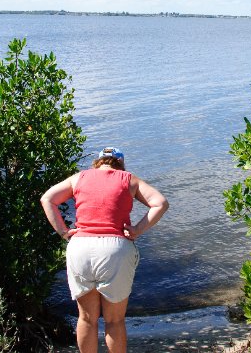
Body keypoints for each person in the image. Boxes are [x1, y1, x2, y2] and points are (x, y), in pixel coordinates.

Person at [40, 147, 169, 353]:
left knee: (87, 318)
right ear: (120, 163)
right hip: (115, 249)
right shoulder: (128, 179)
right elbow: (160, 203)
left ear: (98, 163)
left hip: (80, 247)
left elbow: (47, 199)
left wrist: (64, 232)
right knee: (114, 320)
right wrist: (136, 230)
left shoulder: (79, 178)